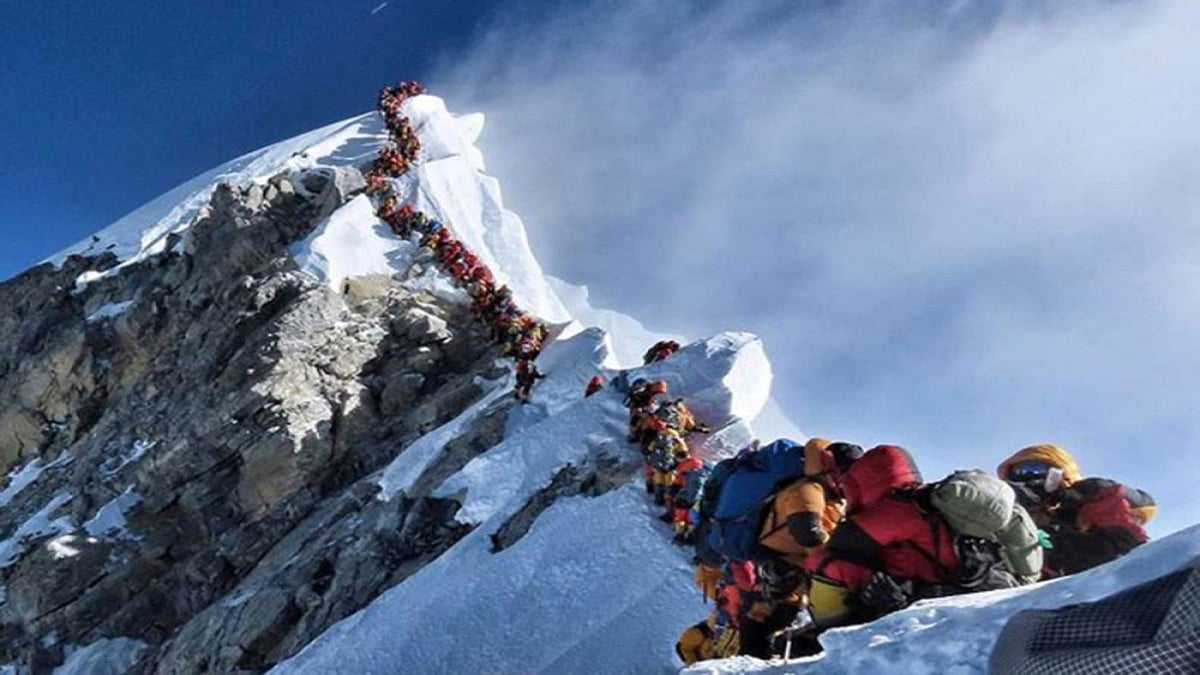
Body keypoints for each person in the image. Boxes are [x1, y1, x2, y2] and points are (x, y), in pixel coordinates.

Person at [998, 443, 1155, 577]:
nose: (1026, 478)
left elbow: (1127, 548)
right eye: (1017, 473)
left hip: (1101, 585)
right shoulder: (1007, 517)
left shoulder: (1085, 503)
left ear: (1060, 473)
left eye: (1035, 469)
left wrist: (1097, 491)